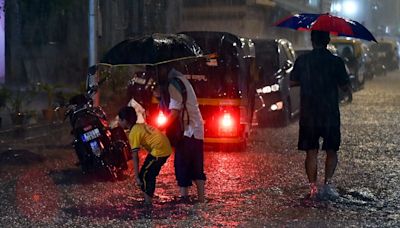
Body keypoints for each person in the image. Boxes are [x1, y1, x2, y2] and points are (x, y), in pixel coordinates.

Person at [290, 30, 350, 200]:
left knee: (311, 151)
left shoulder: (303, 61)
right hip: (330, 112)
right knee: (331, 150)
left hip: (309, 113)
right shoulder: (336, 62)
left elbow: (293, 81)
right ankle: (328, 184)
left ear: (312, 41)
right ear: (328, 41)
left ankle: (313, 188)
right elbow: (345, 86)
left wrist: (308, 80)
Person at [158, 65, 206, 203]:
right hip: (196, 130)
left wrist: (160, 127)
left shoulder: (174, 84)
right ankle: (201, 200)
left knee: (181, 165)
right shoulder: (182, 79)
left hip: (188, 131)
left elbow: (174, 112)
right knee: (197, 165)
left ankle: (184, 199)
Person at [118, 106, 172, 204]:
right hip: (163, 146)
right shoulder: (139, 126)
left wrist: (137, 176)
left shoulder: (134, 133)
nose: (119, 123)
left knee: (146, 175)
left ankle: (148, 203)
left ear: (125, 121)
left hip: (160, 150)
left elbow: (135, 156)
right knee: (148, 173)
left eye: (120, 120)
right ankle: (149, 197)